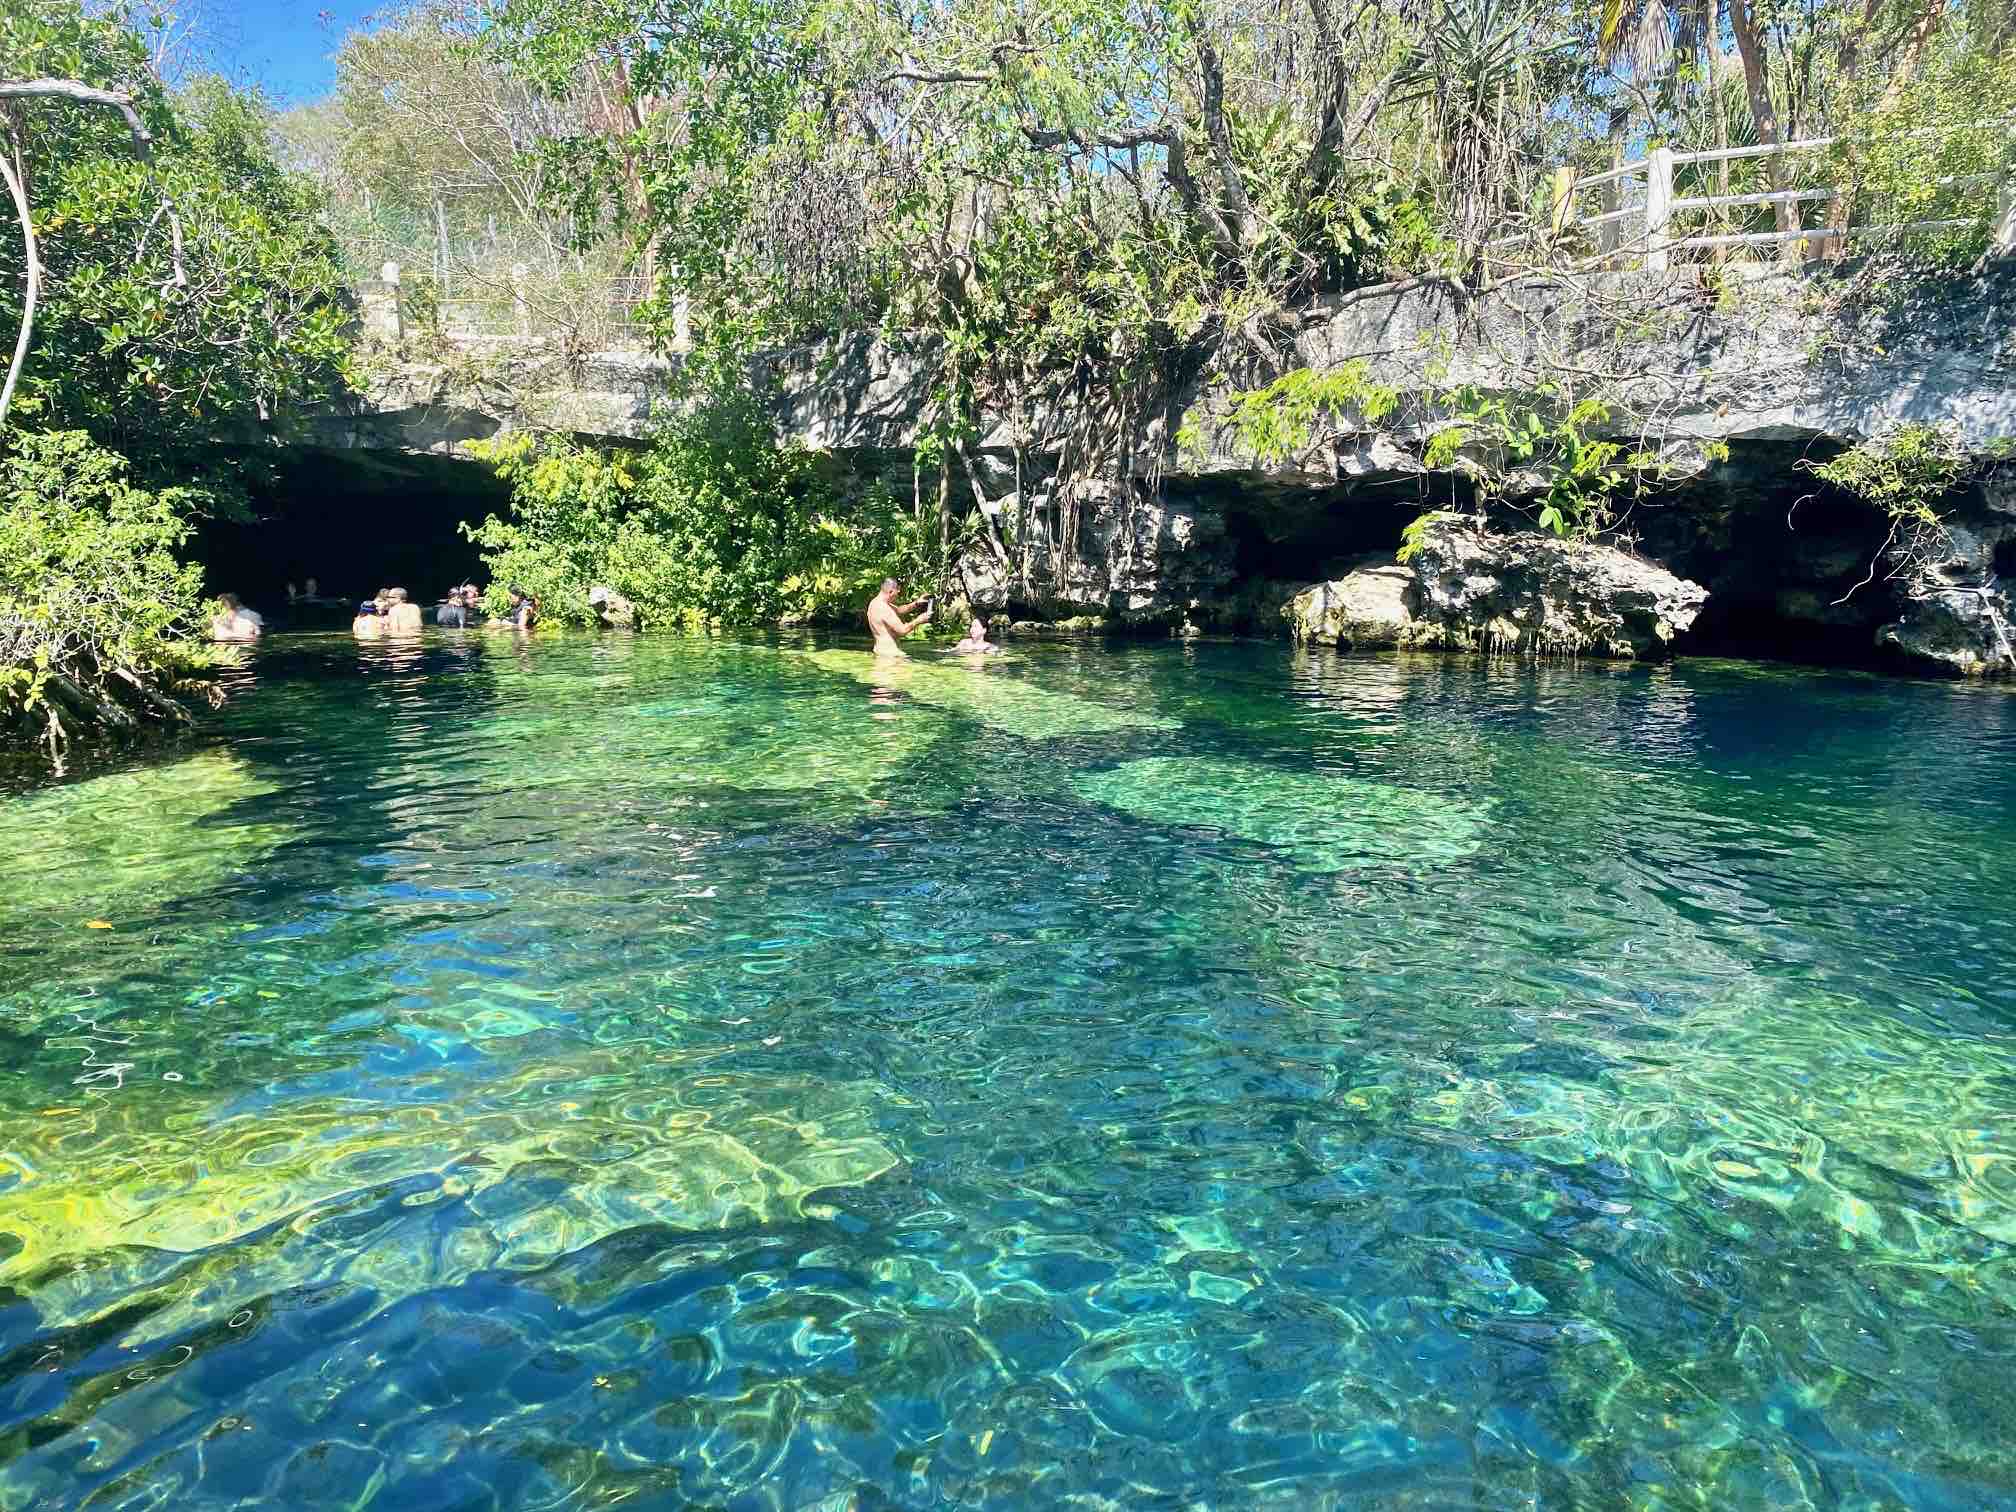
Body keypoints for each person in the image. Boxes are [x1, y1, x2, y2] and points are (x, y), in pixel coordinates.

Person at [865, 579, 931, 657]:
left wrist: (916, 603)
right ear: (891, 592)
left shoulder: (875, 603)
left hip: (880, 650)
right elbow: (902, 630)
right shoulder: (884, 608)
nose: (897, 596)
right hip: (889, 653)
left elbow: (898, 610)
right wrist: (919, 620)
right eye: (897, 593)